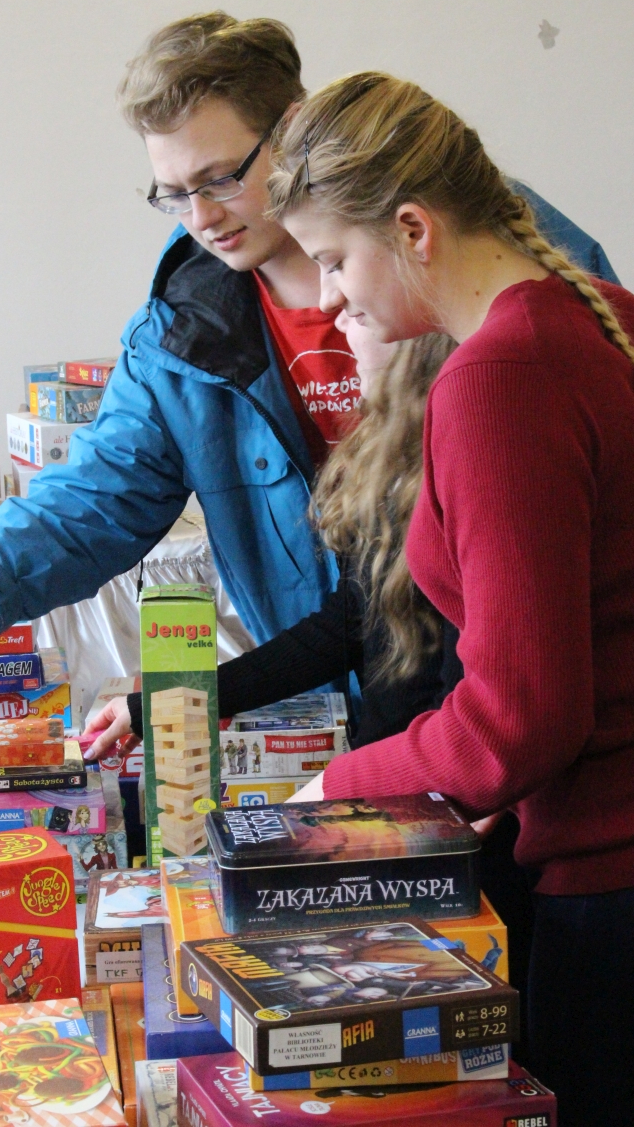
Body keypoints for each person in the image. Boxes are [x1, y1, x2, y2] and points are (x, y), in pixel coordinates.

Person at [0, 13, 614, 684]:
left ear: (293, 126)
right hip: (342, 696)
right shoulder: (179, 332)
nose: (201, 217)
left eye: (221, 179)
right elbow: (93, 501)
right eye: (172, 194)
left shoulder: (485, 256)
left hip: (525, 686)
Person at [262, 71, 634, 1127]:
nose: (325, 297)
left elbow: (518, 718)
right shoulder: (598, 316)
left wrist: (334, 791)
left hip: (606, 888)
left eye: (334, 259)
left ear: (413, 228)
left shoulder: (497, 379)